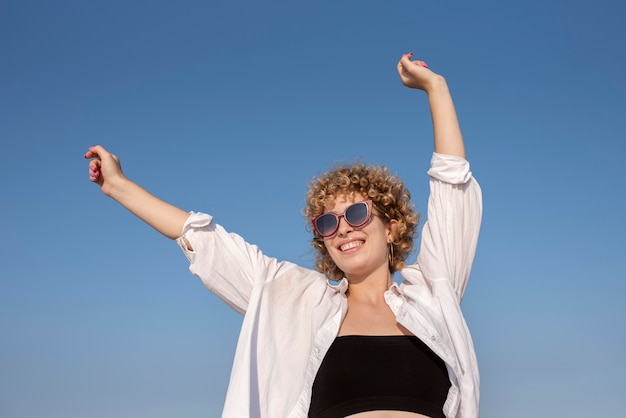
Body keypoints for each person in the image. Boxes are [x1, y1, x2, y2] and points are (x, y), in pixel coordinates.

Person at [84, 52, 482, 418]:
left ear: (392, 226)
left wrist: (436, 89)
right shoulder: (296, 301)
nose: (343, 227)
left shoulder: (434, 296)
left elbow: (453, 192)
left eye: (357, 214)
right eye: (327, 223)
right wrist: (119, 186)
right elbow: (207, 242)